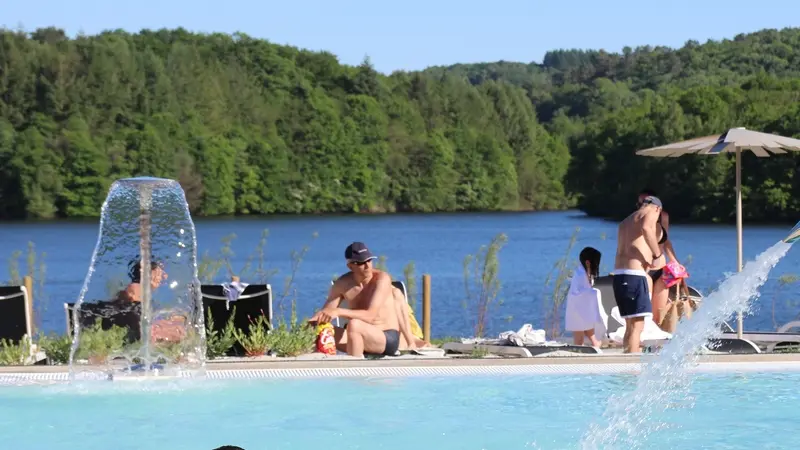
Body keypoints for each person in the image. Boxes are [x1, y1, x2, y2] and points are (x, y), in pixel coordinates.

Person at [309, 242, 415, 358]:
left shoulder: (382, 279)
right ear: (350, 266)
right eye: (361, 263)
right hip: (357, 334)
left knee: (354, 325)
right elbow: (327, 312)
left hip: (386, 338)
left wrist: (338, 311)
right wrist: (315, 321)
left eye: (369, 260)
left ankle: (355, 371)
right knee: (320, 330)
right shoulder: (342, 284)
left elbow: (371, 315)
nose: (367, 266)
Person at [613, 195, 663, 353]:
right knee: (637, 326)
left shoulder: (625, 222)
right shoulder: (650, 213)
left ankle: (626, 362)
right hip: (634, 275)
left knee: (630, 325)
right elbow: (647, 229)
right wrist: (657, 255)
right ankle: (633, 368)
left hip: (619, 275)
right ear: (657, 208)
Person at [637, 188, 680, 325]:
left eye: (647, 202)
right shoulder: (636, 219)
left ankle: (658, 345)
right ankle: (643, 344)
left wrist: (675, 262)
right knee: (644, 314)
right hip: (644, 269)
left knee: (659, 313)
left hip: (661, 267)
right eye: (640, 204)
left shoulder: (663, 217)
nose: (643, 206)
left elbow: (665, 240)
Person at [116, 259, 186, 343]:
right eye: (160, 272)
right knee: (178, 330)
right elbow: (136, 320)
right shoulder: (136, 289)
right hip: (138, 336)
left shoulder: (142, 293)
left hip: (138, 335)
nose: (165, 276)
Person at [564, 246, 603, 347]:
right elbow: (578, 293)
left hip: (580, 308)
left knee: (588, 327)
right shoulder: (581, 274)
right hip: (576, 309)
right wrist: (594, 292)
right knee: (579, 338)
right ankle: (582, 350)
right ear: (588, 263)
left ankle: (595, 344)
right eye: (596, 263)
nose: (597, 266)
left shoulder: (584, 272)